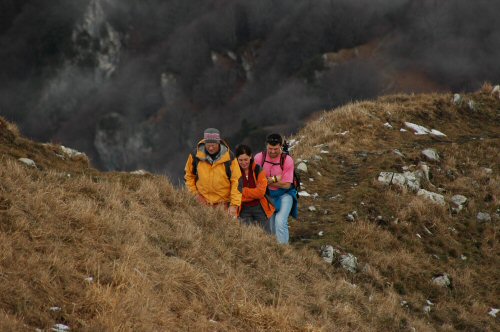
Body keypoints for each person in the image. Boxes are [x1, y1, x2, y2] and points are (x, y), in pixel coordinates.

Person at [184, 128, 241, 217]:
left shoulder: (229, 157)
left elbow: (237, 181)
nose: (210, 148)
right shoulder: (195, 155)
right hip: (201, 204)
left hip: (224, 205)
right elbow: (188, 176)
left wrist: (234, 205)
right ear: (205, 142)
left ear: (218, 143)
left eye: (213, 145)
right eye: (208, 145)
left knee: (226, 231)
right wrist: (195, 195)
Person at [254, 133, 298, 244]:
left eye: (276, 149)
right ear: (266, 146)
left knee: (280, 222)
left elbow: (287, 184)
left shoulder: (287, 160)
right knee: (271, 227)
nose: (273, 152)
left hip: (285, 194)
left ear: (281, 147)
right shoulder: (259, 158)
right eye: (270, 149)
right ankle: (276, 251)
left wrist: (269, 180)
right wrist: (277, 179)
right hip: (267, 195)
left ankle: (284, 252)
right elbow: (255, 179)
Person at [235, 144, 275, 231]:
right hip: (243, 209)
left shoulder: (258, 170)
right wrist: (253, 193)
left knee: (266, 235)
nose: (243, 163)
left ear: (250, 157)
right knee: (247, 236)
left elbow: (261, 193)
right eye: (240, 160)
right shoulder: (234, 171)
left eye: (246, 159)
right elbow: (235, 193)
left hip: (260, 207)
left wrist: (243, 191)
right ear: (236, 159)